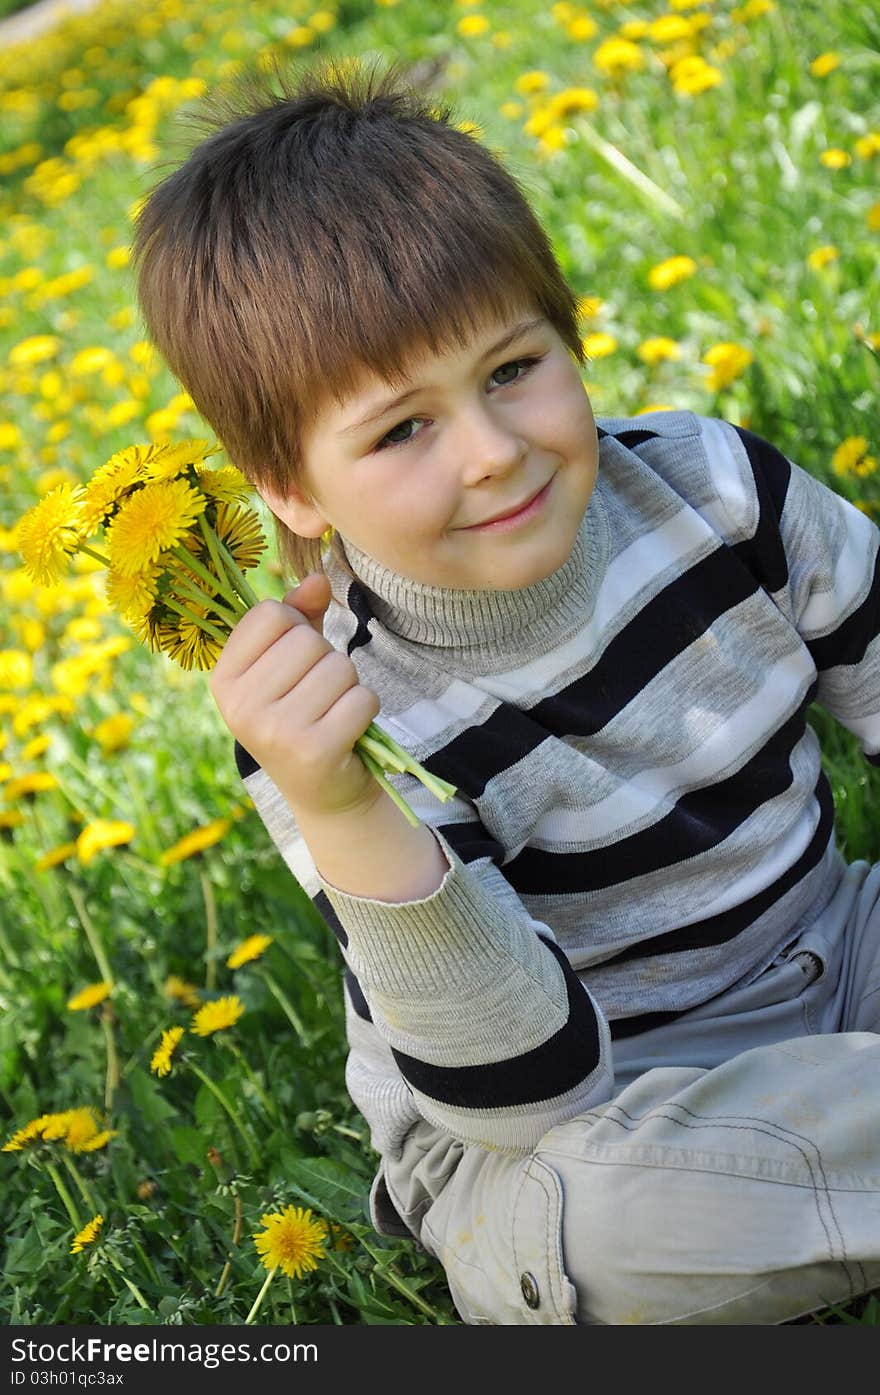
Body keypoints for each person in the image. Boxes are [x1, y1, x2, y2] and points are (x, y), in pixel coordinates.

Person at [132, 54, 880, 1325]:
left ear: (567, 336)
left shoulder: (712, 488)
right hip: (572, 1123)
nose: (492, 452)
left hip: (832, 959)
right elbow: (523, 1090)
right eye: (401, 429)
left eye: (511, 370)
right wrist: (343, 806)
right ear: (289, 488)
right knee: (619, 1225)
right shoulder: (337, 720)